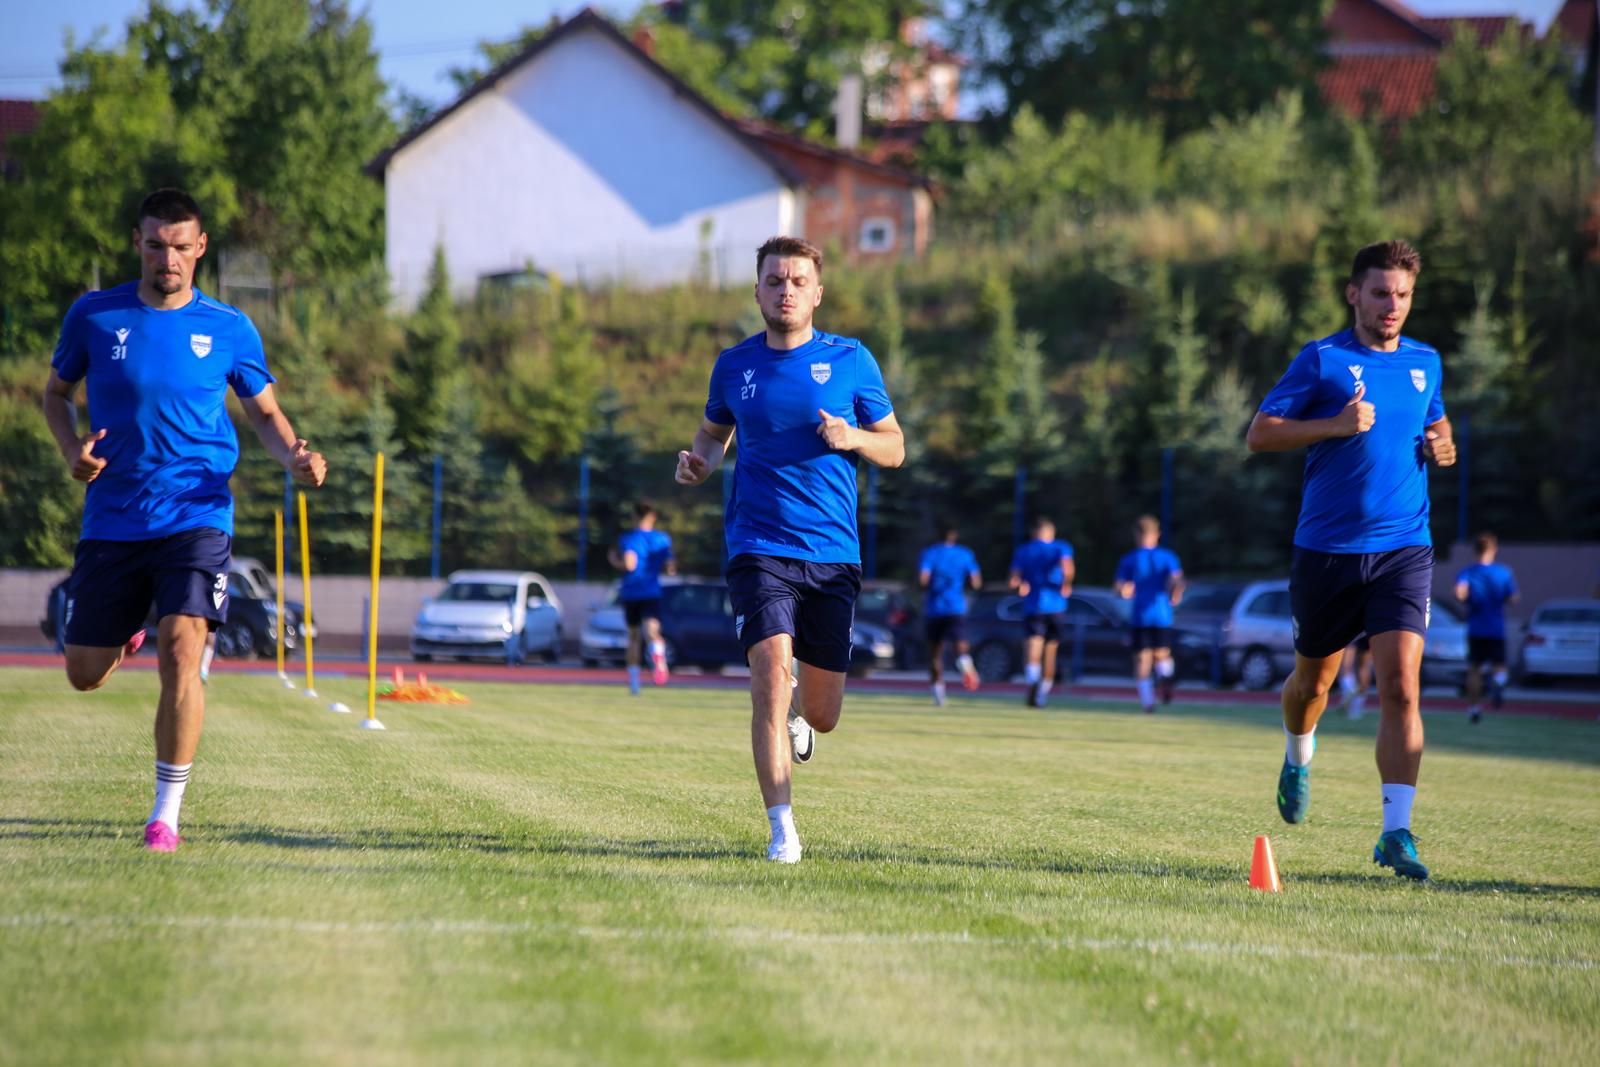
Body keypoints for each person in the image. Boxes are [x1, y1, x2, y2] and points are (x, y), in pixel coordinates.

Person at [42, 188, 327, 852]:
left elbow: (263, 411)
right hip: (113, 517)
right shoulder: (93, 315)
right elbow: (55, 395)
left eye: (179, 245)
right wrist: (69, 450)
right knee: (83, 671)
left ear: (200, 249)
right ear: (137, 245)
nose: (166, 257)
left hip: (197, 513)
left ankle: (165, 815)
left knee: (184, 649)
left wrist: (295, 457)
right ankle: (122, 637)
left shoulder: (229, 326)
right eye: (154, 244)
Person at [674, 236, 903, 864]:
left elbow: (896, 447)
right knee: (768, 680)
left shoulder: (852, 360)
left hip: (833, 553)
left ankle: (805, 713)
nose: (786, 290)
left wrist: (853, 435)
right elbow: (713, 432)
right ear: (758, 291)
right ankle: (783, 830)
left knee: (822, 713)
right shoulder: (733, 365)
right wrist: (701, 463)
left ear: (817, 293)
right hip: (758, 545)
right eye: (774, 280)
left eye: (798, 280)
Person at [1246, 239, 1455, 881]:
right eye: (1380, 293)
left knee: (1401, 686)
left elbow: (1437, 424)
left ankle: (1396, 833)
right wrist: (1332, 425)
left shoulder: (1426, 361)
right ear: (1353, 294)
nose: (1392, 306)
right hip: (1328, 553)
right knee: (1314, 686)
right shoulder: (1323, 359)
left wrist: (1443, 444)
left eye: (1403, 295)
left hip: (1403, 549)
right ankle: (1298, 755)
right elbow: (1261, 434)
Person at [1114, 515, 1184, 713]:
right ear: (1157, 534)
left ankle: (1148, 702)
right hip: (1161, 615)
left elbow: (1119, 588)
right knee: (1161, 655)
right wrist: (1175, 593)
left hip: (1142, 615)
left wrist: (1123, 591)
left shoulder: (1131, 559)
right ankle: (1165, 678)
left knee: (1142, 658)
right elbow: (1176, 581)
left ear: (1137, 535)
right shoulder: (1168, 557)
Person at [608, 501, 676, 694]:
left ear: (634, 517)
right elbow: (670, 568)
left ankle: (635, 683)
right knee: (652, 631)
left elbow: (630, 564)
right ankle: (658, 657)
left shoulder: (629, 538)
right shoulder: (663, 539)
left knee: (633, 637)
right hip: (652, 591)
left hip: (631, 592)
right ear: (653, 516)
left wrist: (614, 561)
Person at [1008, 517, 1075, 709]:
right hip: (1056, 607)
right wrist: (1066, 583)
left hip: (1033, 606)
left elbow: (1014, 579)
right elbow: (1067, 567)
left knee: (1032, 649)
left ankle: (1032, 682)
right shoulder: (1060, 547)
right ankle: (1042, 695)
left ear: (1033, 533)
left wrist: (1019, 585)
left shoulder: (1024, 550)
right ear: (1051, 532)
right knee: (1050, 652)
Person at [1454, 532, 1518, 724]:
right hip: (1496, 628)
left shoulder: (1468, 572)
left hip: (1475, 628)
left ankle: (1474, 708)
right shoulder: (1504, 572)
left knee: (1474, 669)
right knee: (1500, 665)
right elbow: (1513, 598)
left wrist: (1467, 597)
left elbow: (1459, 593)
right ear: (1494, 550)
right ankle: (1498, 683)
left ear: (1475, 550)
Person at [917, 523, 982, 705]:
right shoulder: (965, 553)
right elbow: (976, 582)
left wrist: (923, 589)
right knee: (959, 643)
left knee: (935, 653)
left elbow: (923, 578)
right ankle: (965, 664)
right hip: (956, 606)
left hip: (935, 608)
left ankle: (939, 696)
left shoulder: (930, 553)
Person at [1336, 634, 1375, 720]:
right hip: (1367, 628)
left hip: (1350, 625)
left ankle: (1348, 690)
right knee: (1363, 667)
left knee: (1345, 666)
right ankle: (1356, 708)